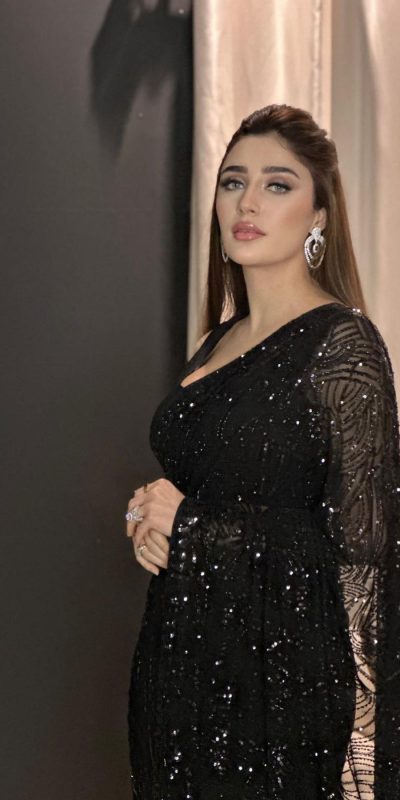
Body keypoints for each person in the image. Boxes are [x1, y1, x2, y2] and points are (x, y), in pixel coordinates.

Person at [125, 103, 400, 799]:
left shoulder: (344, 346)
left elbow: (364, 563)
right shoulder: (215, 343)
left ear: (318, 216)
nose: (247, 202)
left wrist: (192, 526)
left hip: (279, 697)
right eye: (233, 182)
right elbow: (217, 482)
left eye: (277, 184)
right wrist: (149, 517)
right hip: (177, 670)